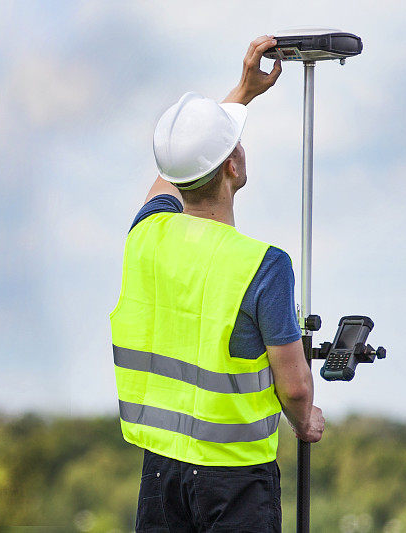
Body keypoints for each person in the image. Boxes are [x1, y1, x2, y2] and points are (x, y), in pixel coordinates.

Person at [109, 35, 325, 533]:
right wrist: (306, 420)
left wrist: (241, 94)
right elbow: (294, 387)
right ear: (233, 166)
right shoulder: (265, 266)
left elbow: (174, 172)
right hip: (235, 483)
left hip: (160, 473)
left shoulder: (146, 234)